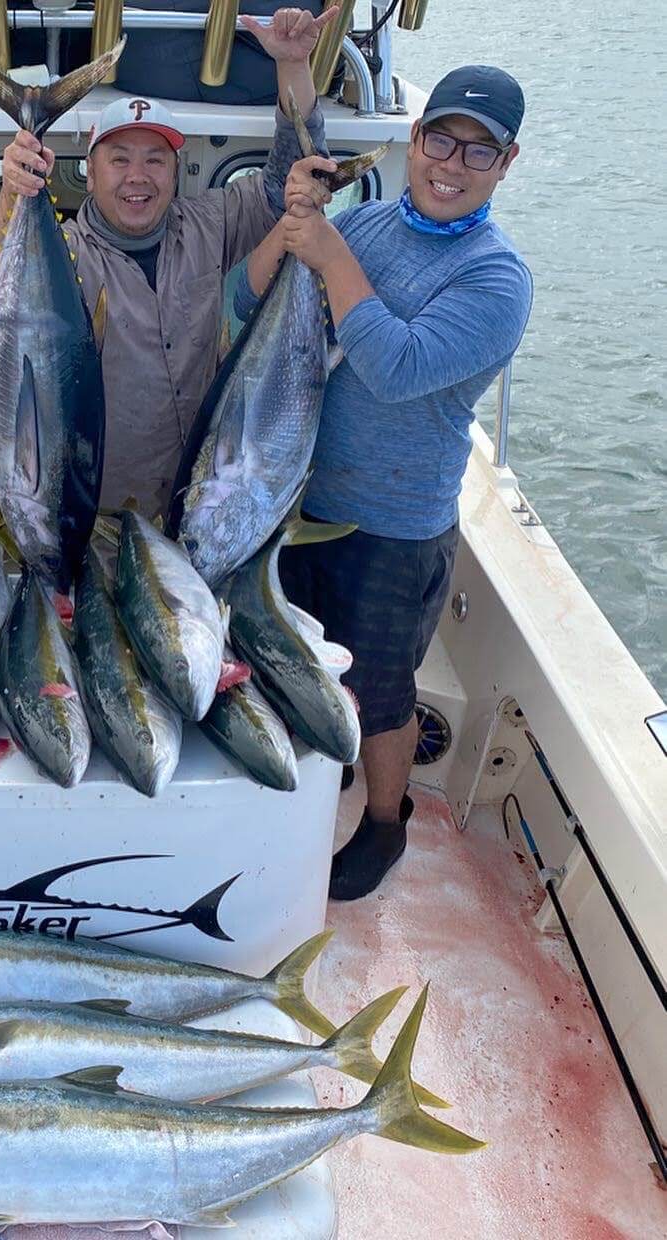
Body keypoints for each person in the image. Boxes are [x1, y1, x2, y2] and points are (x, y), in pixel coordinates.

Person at [236, 65, 533, 900]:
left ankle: (385, 820)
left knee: (380, 693)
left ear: (507, 163)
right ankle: (323, 768)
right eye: (441, 139)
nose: (452, 163)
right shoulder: (364, 223)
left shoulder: (496, 278)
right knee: (295, 661)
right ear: (415, 139)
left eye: (479, 151)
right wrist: (297, 226)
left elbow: (395, 368)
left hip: (396, 525)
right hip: (297, 504)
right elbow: (247, 306)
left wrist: (328, 251)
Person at [0, 6, 342, 517]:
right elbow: (1, 277)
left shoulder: (210, 222)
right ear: (89, 172)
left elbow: (291, 181)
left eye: (155, 159)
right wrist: (13, 188)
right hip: (101, 516)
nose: (138, 176)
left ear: (176, 171)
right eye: (119, 159)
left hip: (204, 499)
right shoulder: (63, 252)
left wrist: (292, 65)